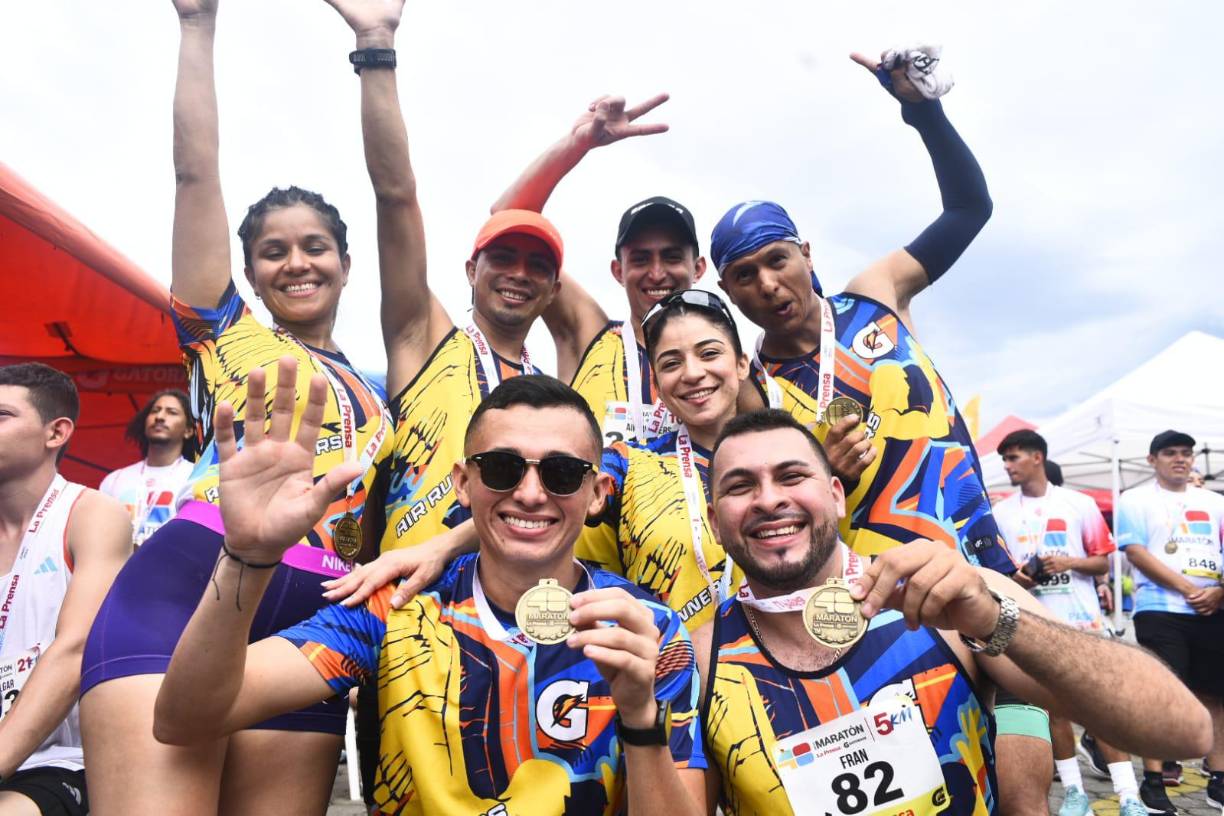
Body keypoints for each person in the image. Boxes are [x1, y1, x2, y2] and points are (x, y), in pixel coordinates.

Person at [77, 1, 397, 811]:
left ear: (346, 263)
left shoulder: (386, 391)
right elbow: (195, 173)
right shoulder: (226, 334)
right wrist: (196, 25)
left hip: (313, 621)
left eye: (314, 246)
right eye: (273, 251)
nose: (297, 262)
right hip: (190, 585)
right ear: (248, 273)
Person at [152, 367, 708, 815]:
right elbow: (186, 718)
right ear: (464, 483)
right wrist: (248, 556)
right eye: (503, 468)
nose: (532, 493)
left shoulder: (648, 630)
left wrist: (640, 719)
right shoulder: (394, 607)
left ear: (596, 493)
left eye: (562, 472)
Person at [690, 409, 1212, 815]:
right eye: (740, 486)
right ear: (715, 522)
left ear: (835, 494)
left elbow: (1184, 732)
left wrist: (994, 620)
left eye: (791, 476)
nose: (768, 499)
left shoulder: (950, 595)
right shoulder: (700, 658)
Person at [713, 49, 1014, 576]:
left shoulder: (875, 295)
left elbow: (970, 208)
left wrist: (925, 113)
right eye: (745, 275)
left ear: (806, 254)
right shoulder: (751, 387)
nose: (767, 284)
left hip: (970, 557)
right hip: (871, 594)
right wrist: (828, 472)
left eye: (777, 260)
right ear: (728, 291)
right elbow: (775, 514)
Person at [490, 94, 713, 446]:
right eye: (640, 259)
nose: (656, 274)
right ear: (617, 271)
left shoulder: (720, 362)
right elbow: (507, 220)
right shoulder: (588, 334)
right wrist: (575, 146)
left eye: (671, 257)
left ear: (698, 268)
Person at [0, 364, 131, 816]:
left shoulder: (92, 512)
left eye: (1, 415)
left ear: (56, 433)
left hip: (60, 760)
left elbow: (74, 649)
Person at [993, 429, 1142, 815]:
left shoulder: (1079, 504)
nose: (1007, 466)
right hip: (1034, 626)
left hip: (1083, 621)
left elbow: (1102, 560)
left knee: (1100, 708)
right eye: (1005, 460)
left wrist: (1068, 563)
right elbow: (999, 577)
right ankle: (1075, 794)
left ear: (1037, 457)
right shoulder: (1001, 514)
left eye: (1014, 458)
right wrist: (1021, 578)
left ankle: (1129, 796)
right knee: (1054, 711)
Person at [1117, 429, 1224, 815]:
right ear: (1152, 460)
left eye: (1186, 453)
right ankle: (1154, 781)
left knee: (1215, 695)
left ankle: (1219, 779)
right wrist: (1186, 588)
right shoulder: (1135, 499)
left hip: (1213, 609)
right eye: (1170, 453)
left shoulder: (1215, 501)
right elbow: (1135, 551)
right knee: (1162, 694)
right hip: (1159, 608)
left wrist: (1218, 592)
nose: (1180, 459)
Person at [99, 388, 196, 547]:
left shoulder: (196, 477)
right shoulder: (114, 479)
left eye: (171, 412)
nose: (159, 417)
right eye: (155, 411)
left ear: (188, 430)